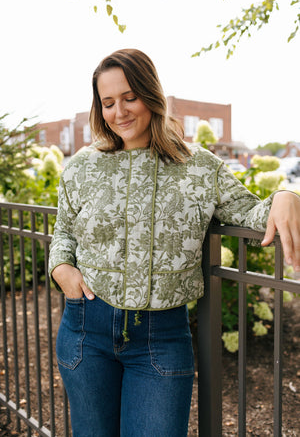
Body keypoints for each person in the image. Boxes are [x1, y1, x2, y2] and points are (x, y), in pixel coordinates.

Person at [48, 48, 300, 437]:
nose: (120, 112)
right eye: (109, 102)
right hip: (86, 331)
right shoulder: (81, 165)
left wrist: (286, 196)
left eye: (130, 97)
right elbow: (63, 231)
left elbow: (251, 212)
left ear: (151, 95)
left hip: (160, 338)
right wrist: (62, 268)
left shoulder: (198, 166)